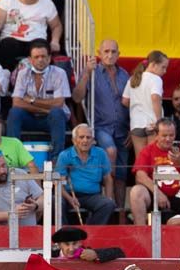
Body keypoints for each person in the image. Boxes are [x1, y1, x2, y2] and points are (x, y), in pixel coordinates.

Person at [72, 38, 130, 186]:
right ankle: (107, 195)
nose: (110, 55)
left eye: (113, 52)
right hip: (101, 127)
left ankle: (120, 209)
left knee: (122, 174)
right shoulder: (92, 72)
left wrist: (132, 129)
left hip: (123, 128)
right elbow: (77, 97)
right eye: (106, 51)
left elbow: (132, 103)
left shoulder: (125, 75)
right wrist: (86, 72)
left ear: (119, 54)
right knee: (110, 151)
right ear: (99, 53)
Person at [129, 118, 180, 225]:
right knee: (136, 192)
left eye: (171, 135)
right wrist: (157, 192)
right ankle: (141, 235)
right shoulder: (148, 150)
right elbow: (140, 176)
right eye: (164, 136)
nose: (168, 139)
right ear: (156, 135)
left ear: (175, 134)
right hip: (156, 193)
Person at [5, 40, 71, 156]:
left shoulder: (59, 73)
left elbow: (59, 103)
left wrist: (32, 100)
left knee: (56, 112)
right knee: (14, 113)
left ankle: (56, 159)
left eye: (43, 56)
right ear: (30, 60)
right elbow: (16, 103)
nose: (40, 59)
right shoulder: (23, 73)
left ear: (49, 58)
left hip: (52, 119)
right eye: (36, 57)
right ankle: (13, 156)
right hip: (31, 117)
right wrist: (45, 108)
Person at [55, 123, 116, 225]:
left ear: (92, 140)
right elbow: (58, 183)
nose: (85, 140)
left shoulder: (100, 153)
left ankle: (91, 233)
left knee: (108, 204)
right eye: (81, 137)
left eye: (88, 137)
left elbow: (108, 178)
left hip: (92, 195)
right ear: (74, 140)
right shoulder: (65, 155)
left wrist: (109, 197)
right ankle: (65, 235)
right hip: (69, 195)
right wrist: (70, 199)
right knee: (55, 202)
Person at [0, 148, 42, 226]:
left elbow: (43, 197)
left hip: (28, 230)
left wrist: (35, 205)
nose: (2, 171)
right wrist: (12, 214)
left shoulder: (20, 173)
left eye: (3, 165)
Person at [122, 49, 167, 159]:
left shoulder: (133, 78)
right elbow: (155, 98)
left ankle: (139, 177)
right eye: (163, 67)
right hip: (152, 123)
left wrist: (138, 107)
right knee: (154, 159)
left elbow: (125, 101)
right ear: (153, 65)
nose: (165, 71)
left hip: (136, 124)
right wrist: (159, 121)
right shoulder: (156, 79)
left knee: (140, 160)